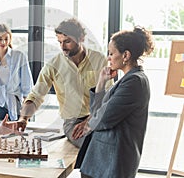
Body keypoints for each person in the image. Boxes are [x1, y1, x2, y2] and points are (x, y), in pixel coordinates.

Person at [17, 18, 110, 148]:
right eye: (59, 42)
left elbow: (109, 95)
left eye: (67, 42)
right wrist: (24, 118)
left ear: (81, 38)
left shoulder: (99, 59)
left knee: (114, 140)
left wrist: (91, 120)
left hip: (98, 117)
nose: (62, 47)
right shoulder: (53, 65)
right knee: (93, 144)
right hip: (73, 122)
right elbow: (36, 95)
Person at [76, 26, 154, 178]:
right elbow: (96, 114)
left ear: (125, 55)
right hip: (103, 162)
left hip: (111, 164)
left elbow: (101, 119)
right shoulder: (128, 79)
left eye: (111, 53)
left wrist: (90, 122)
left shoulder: (134, 82)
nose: (108, 58)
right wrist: (101, 83)